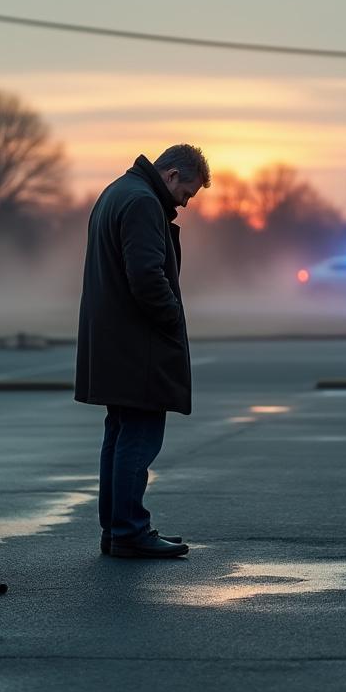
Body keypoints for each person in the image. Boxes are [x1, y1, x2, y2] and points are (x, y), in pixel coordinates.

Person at [75, 145, 210, 558]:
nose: (185, 203)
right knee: (138, 436)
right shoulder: (143, 203)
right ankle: (130, 531)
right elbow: (147, 276)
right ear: (170, 175)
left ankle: (117, 530)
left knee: (120, 435)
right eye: (186, 192)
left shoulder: (118, 191)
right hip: (138, 344)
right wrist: (172, 318)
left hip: (116, 340)